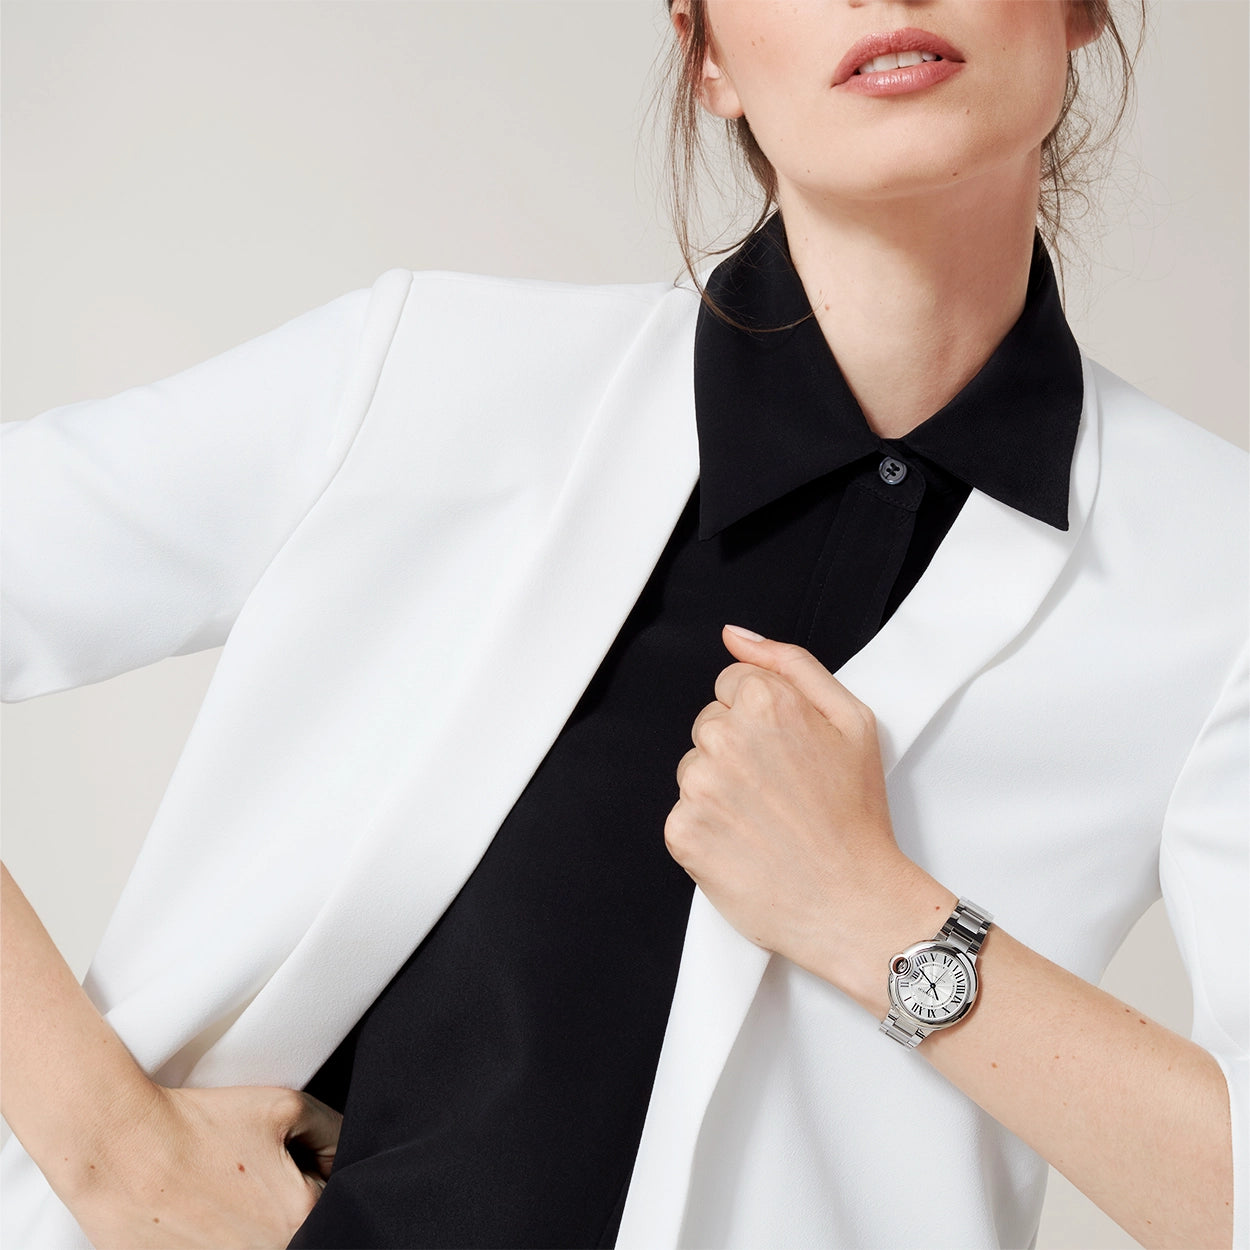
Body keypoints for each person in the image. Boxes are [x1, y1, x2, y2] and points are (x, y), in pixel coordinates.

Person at [1, 1, 1244, 1248]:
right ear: (706, 55)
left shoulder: (1210, 569)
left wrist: (878, 917)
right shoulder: (435, 381)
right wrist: (114, 1152)